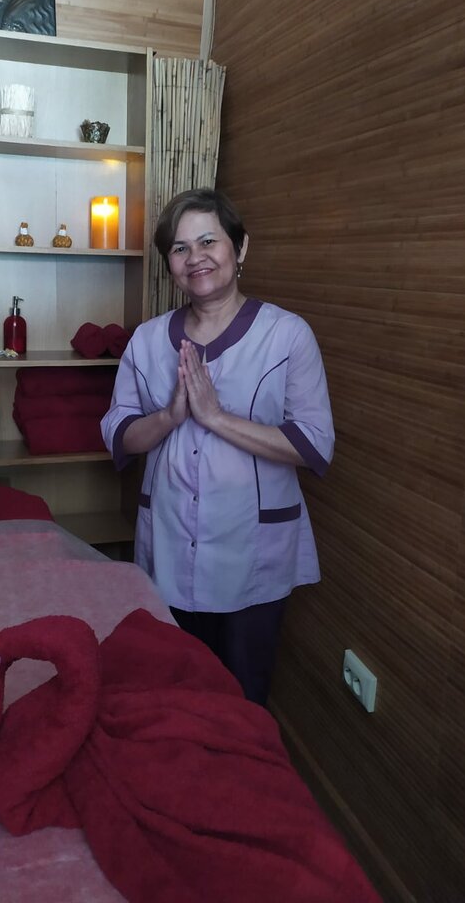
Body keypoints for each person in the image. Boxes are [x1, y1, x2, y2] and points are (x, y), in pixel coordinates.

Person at [100, 189, 334, 706]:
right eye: (180, 248)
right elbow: (119, 434)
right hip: (168, 539)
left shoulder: (287, 336)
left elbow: (315, 444)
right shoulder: (146, 340)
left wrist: (215, 417)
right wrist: (170, 417)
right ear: (169, 264)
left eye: (209, 241)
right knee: (173, 691)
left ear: (240, 248)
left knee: (242, 695)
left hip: (253, 551)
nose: (195, 257)